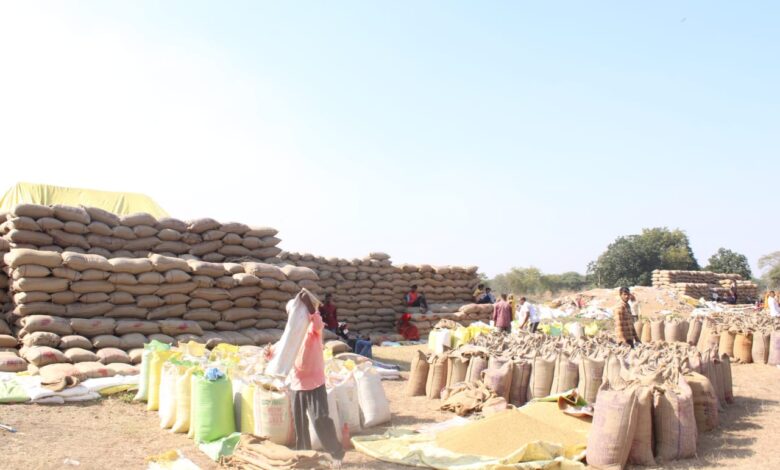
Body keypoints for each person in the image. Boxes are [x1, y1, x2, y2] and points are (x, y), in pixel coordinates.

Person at [269, 291, 344, 465]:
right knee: (300, 423)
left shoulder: (312, 329)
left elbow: (318, 324)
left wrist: (310, 307)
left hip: (315, 382)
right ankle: (304, 455)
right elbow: (278, 351)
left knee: (320, 419)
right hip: (297, 383)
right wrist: (269, 353)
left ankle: (336, 453)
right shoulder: (290, 335)